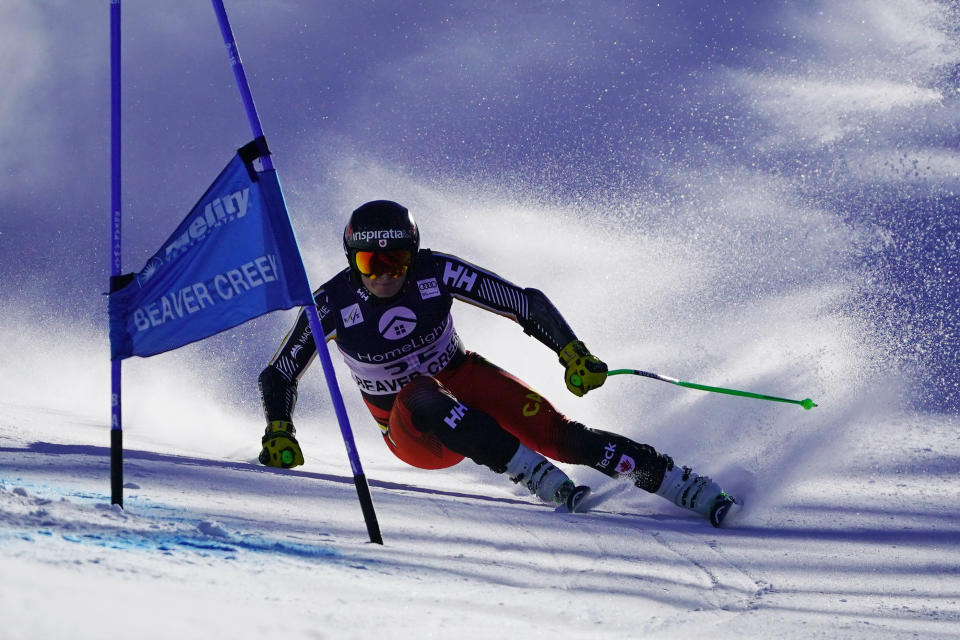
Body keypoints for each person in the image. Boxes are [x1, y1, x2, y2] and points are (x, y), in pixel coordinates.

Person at [257, 200, 737, 526]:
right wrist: (279, 428)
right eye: (370, 264)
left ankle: (682, 485)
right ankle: (533, 474)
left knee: (564, 436)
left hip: (464, 378)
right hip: (412, 431)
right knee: (419, 390)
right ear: (351, 260)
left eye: (397, 261)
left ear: (415, 254)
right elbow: (280, 372)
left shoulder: (438, 271)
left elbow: (523, 302)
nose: (385, 275)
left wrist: (572, 352)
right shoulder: (332, 303)